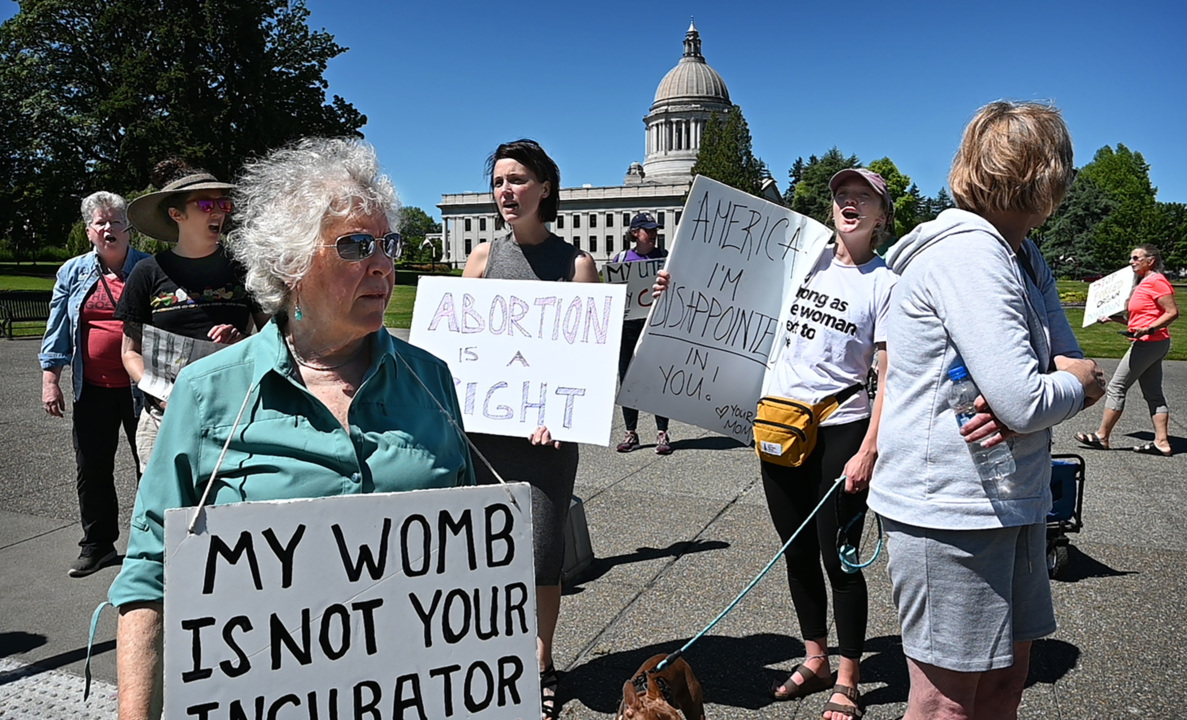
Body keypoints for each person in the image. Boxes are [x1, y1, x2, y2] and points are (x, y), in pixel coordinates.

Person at [107, 137, 475, 719]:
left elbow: (470, 546)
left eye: (388, 244)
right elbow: (150, 574)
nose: (382, 264)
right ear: (291, 263)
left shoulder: (433, 380)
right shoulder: (206, 394)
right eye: (355, 246)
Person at [869, 101, 1106, 720]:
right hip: (951, 505)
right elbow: (1036, 395)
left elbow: (1074, 368)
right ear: (1047, 176)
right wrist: (1055, 389)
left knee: (1009, 677)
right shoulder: (970, 254)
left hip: (1012, 495)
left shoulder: (1025, 255)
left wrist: (1049, 388)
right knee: (946, 701)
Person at [654, 168, 897, 719]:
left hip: (841, 427)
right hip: (777, 424)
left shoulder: (885, 282)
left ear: (882, 215)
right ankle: (815, 656)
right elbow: (733, 292)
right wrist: (680, 288)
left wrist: (869, 449)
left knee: (841, 557)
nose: (848, 203)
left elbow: (891, 373)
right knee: (795, 552)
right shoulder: (801, 261)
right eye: (842, 195)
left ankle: (850, 675)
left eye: (863, 197)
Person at [462, 139, 598, 719]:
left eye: (517, 179)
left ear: (545, 186)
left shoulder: (576, 265)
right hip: (485, 434)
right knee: (486, 551)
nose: (505, 192)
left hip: (547, 439)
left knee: (543, 554)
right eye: (498, 182)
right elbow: (464, 351)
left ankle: (540, 663)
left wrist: (562, 418)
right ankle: (494, 656)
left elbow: (584, 359)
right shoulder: (481, 259)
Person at [117, 160, 266, 472]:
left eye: (223, 204)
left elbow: (273, 340)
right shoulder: (147, 272)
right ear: (176, 214)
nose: (219, 212)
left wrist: (243, 341)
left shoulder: (243, 270)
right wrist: (164, 396)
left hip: (233, 417)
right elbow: (130, 352)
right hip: (163, 419)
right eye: (206, 204)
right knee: (162, 513)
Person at [39, 192, 151, 578]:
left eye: (116, 221)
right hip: (94, 389)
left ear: (129, 228)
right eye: (101, 223)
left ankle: (151, 546)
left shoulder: (149, 268)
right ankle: (98, 544)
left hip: (143, 390)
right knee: (92, 469)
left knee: (150, 468)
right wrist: (50, 379)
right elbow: (57, 328)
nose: (109, 229)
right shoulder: (73, 272)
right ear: (89, 231)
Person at [1075, 243, 1179, 456]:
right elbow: (1137, 321)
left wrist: (1148, 329)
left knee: (1116, 387)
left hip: (1150, 343)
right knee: (1154, 394)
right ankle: (1162, 442)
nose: (1131, 262)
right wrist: (1113, 319)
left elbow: (1172, 312)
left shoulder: (1157, 282)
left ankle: (1102, 436)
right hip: (1151, 342)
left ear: (1150, 261)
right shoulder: (1143, 283)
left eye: (1136, 258)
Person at [613, 212, 672, 455]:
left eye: (655, 229)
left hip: (655, 324)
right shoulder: (622, 259)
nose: (654, 234)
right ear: (635, 233)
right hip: (628, 325)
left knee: (658, 377)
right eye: (648, 230)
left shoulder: (666, 258)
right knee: (627, 377)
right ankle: (631, 432)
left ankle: (663, 432)